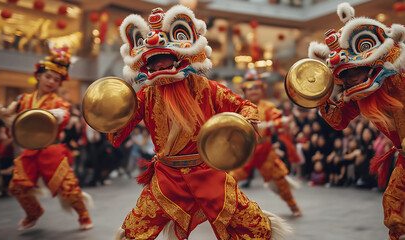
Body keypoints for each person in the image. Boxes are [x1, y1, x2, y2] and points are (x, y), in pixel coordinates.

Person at [108, 6, 291, 240]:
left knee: (255, 226)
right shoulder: (145, 95)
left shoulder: (205, 87)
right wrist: (109, 117)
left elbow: (244, 106)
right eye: (155, 62)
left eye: (165, 59)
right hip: (167, 177)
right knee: (134, 231)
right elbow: (118, 130)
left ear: (179, 56)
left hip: (207, 171)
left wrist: (243, 124)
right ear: (147, 66)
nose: (161, 66)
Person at [308, 3, 405, 239]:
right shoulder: (359, 95)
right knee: (394, 213)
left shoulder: (399, 78)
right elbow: (338, 121)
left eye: (352, 72)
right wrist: (320, 96)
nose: (349, 80)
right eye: (344, 75)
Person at [0, 47, 93, 230]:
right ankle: (34, 212)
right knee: (17, 187)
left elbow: (64, 116)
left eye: (56, 79)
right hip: (29, 150)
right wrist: (0, 114)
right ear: (38, 76)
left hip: (51, 150)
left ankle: (83, 215)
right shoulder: (24, 99)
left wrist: (45, 114)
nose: (51, 81)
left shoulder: (60, 103)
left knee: (68, 188)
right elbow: (11, 119)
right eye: (48, 77)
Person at [229, 74, 303, 217]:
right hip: (247, 150)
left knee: (280, 178)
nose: (254, 92)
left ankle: (293, 206)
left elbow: (279, 120)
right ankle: (225, 209)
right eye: (250, 89)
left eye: (256, 88)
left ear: (262, 90)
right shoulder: (240, 107)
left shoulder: (268, 107)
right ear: (245, 92)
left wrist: (276, 123)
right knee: (231, 179)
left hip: (266, 150)